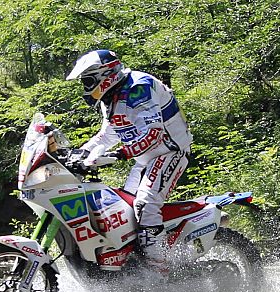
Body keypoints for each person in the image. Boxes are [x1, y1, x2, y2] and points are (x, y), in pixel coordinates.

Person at [66, 49, 193, 276]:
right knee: (123, 210)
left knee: (145, 206)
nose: (86, 87)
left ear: (105, 75)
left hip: (169, 151)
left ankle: (161, 273)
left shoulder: (138, 88)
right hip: (146, 158)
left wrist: (120, 155)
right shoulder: (112, 97)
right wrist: (77, 154)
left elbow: (153, 133)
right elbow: (107, 135)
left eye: (88, 81)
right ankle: (135, 266)